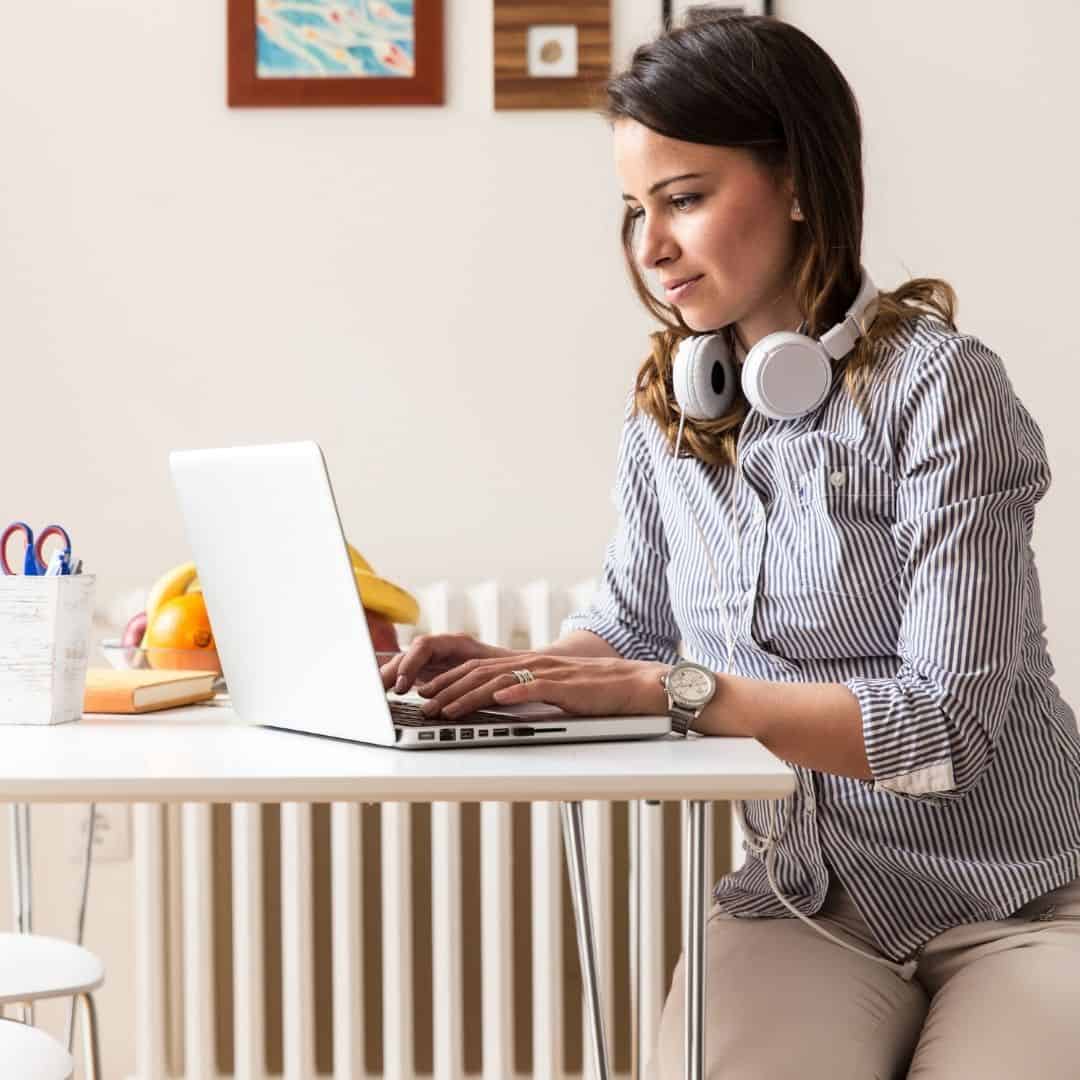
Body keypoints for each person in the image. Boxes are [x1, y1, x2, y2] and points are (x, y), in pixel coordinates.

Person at [381, 13, 1080, 1078]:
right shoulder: (671, 401)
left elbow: (949, 728)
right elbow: (630, 629)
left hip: (1023, 898)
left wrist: (681, 692)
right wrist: (512, 670)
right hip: (808, 902)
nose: (650, 247)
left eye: (685, 198)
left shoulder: (944, 390)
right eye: (634, 210)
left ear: (798, 183)